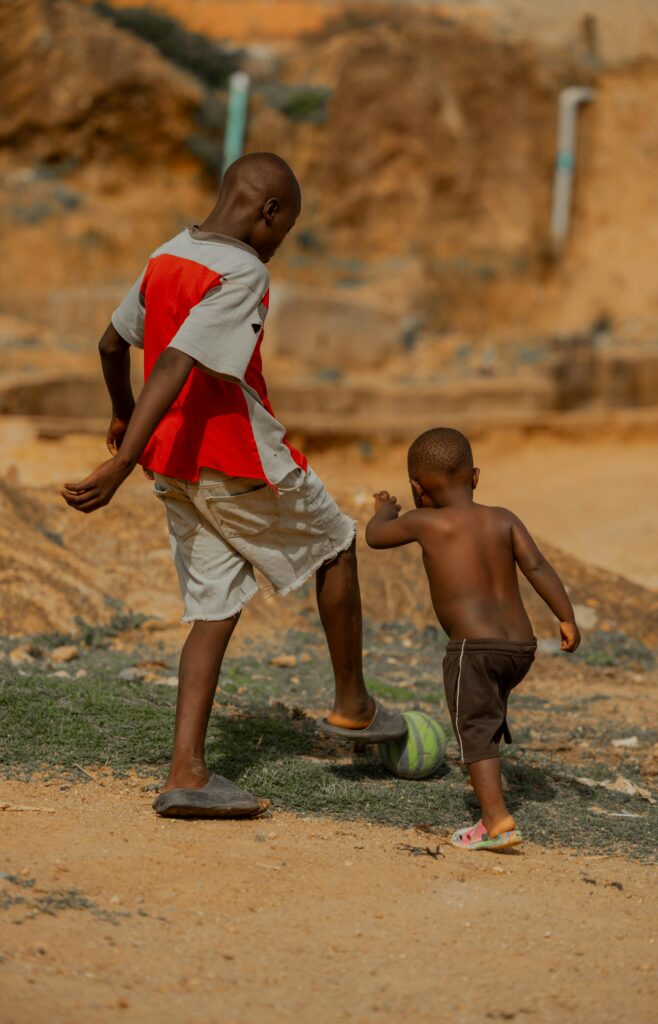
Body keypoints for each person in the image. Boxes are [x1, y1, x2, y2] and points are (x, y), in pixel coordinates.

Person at [61, 152, 405, 819]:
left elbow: (110, 343)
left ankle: (187, 772)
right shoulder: (242, 270)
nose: (278, 247)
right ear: (268, 211)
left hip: (175, 467)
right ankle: (353, 707)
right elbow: (180, 361)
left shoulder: (167, 254)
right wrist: (122, 459)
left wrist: (121, 414)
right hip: (235, 459)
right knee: (335, 544)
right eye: (285, 231)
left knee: (213, 606)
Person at [365, 426, 580, 850]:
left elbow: (375, 537)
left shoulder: (425, 522)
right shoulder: (503, 518)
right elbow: (537, 566)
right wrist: (566, 617)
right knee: (487, 716)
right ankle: (490, 783)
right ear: (475, 477)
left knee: (475, 729)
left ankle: (495, 820)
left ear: (416, 487)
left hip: (473, 650)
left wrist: (385, 509)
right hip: (520, 647)